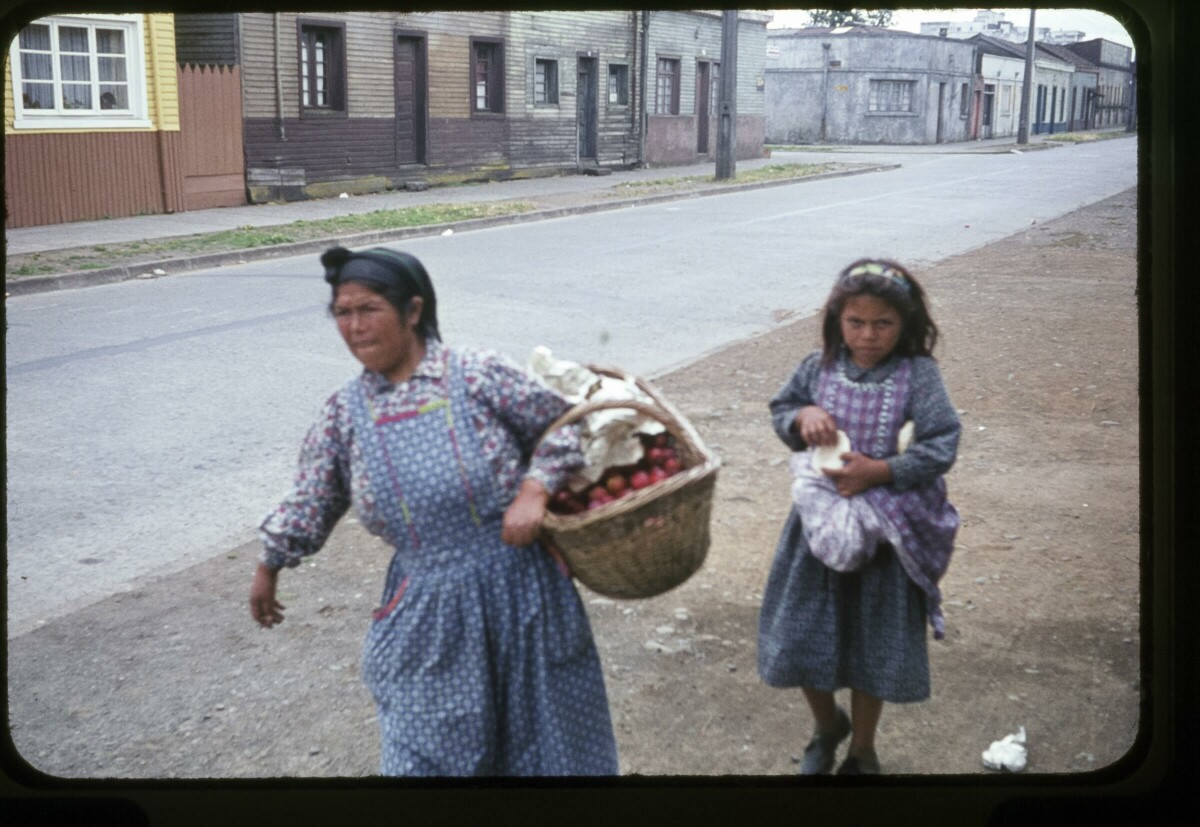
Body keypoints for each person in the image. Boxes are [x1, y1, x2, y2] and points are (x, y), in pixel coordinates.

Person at [249, 245, 619, 776]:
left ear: (414, 311)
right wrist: (270, 563)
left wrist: (534, 490)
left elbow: (565, 424)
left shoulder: (476, 375)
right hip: (425, 609)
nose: (354, 326)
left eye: (368, 309)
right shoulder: (344, 415)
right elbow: (314, 496)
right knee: (427, 753)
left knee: (546, 744)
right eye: (342, 312)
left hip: (521, 591)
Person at [756, 258, 961, 775]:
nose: (868, 336)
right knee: (802, 630)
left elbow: (942, 441)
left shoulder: (919, 375)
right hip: (817, 530)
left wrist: (882, 470)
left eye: (883, 324)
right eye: (856, 323)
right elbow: (783, 408)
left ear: (906, 324)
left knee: (876, 638)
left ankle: (863, 748)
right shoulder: (816, 367)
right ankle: (828, 727)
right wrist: (803, 415)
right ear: (837, 321)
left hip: (884, 534)